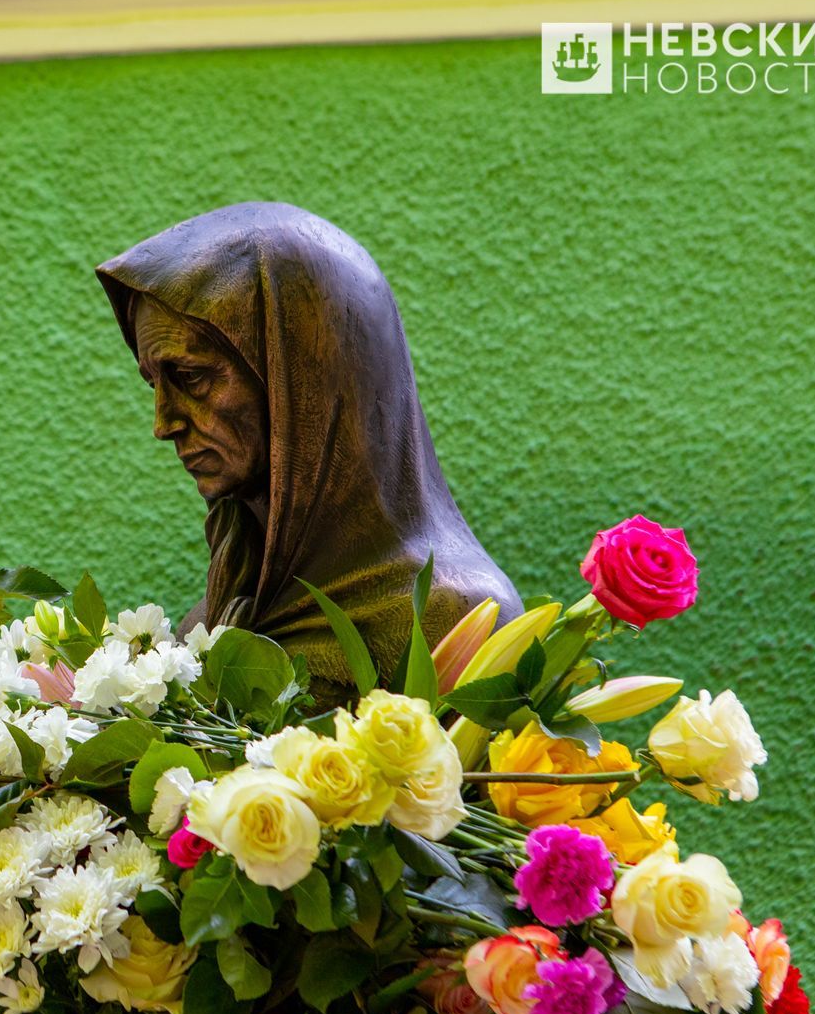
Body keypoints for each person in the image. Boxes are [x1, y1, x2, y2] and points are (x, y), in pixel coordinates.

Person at [95, 201, 522, 706]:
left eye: (191, 378)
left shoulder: (459, 622)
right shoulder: (214, 622)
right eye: (154, 384)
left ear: (304, 380)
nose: (164, 424)